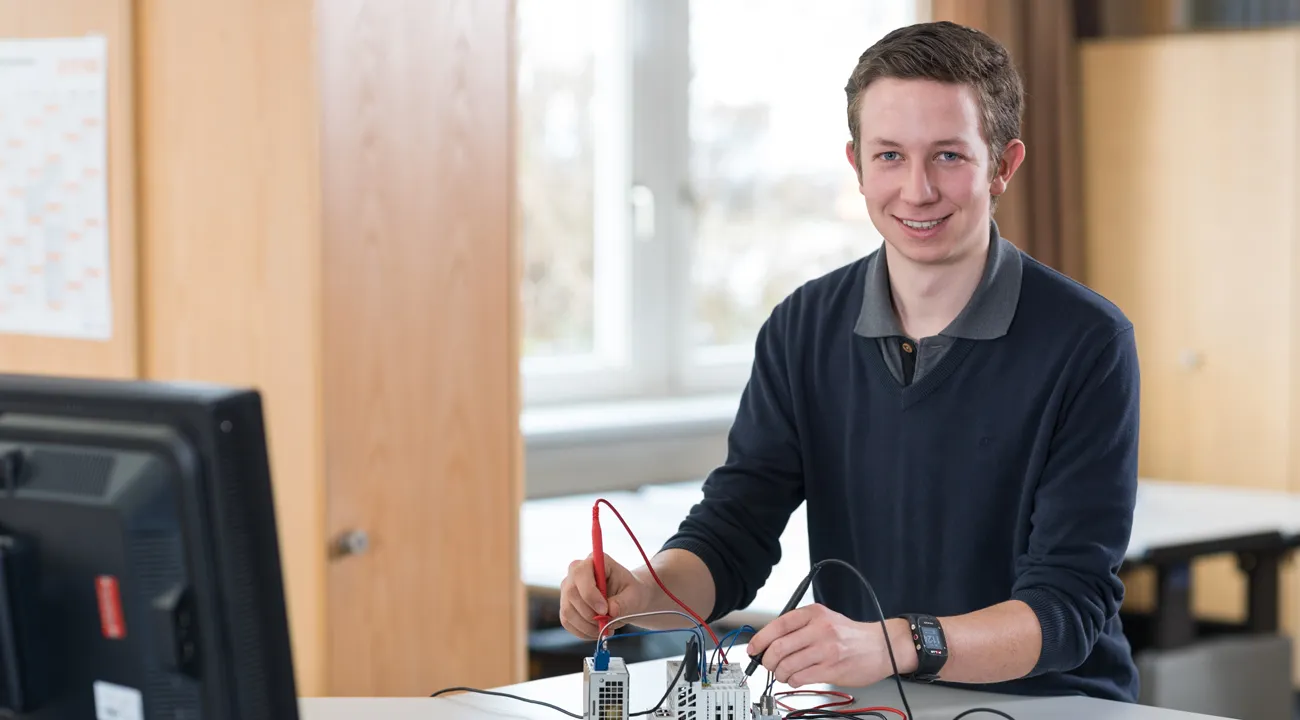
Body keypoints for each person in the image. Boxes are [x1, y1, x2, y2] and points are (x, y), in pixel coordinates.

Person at [558, 20, 1140, 703]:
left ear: (1004, 165)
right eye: (890, 155)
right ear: (856, 164)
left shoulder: (1088, 342)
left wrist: (890, 642)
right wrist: (643, 593)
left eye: (948, 156)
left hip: (1054, 706)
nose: (917, 190)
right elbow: (734, 532)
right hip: (871, 704)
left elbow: (1067, 609)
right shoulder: (802, 327)